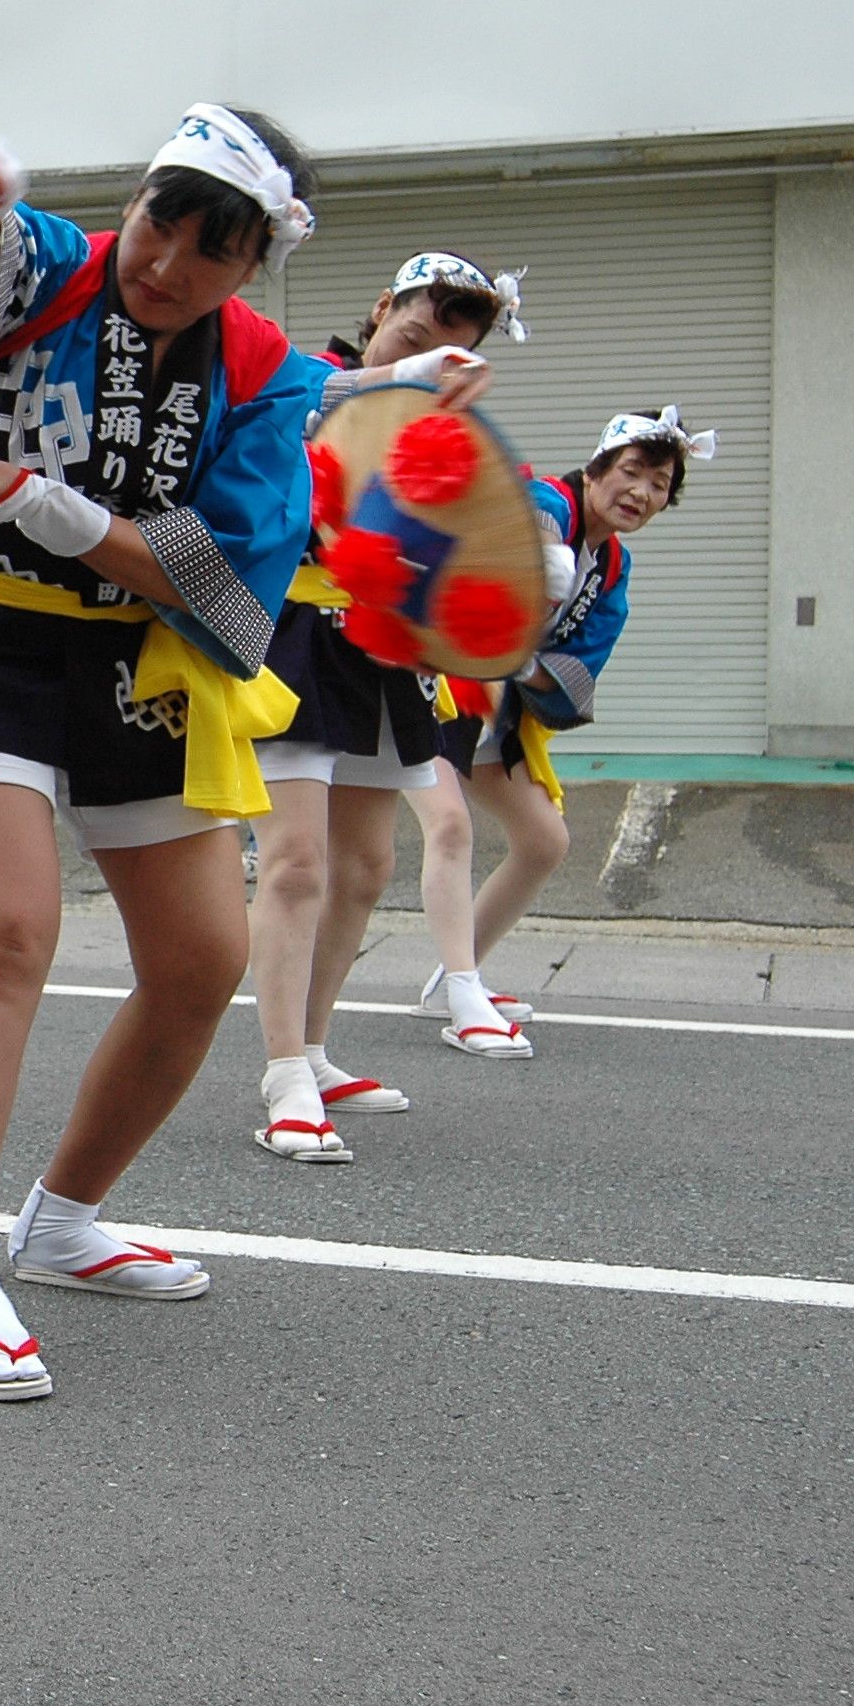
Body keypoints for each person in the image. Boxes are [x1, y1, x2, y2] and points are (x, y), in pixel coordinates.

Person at [0, 102, 322, 1401]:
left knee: (201, 962)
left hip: (132, 663)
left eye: (213, 246)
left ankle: (62, 1220)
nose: (168, 258)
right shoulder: (54, 268)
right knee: (8, 931)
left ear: (252, 266)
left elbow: (234, 581)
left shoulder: (267, 372)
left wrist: (58, 510)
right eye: (161, 217)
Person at [244, 251, 518, 1162]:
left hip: (378, 648)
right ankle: (282, 1071)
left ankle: (315, 1050)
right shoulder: (305, 372)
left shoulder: (437, 427)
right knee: (293, 864)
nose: (432, 357)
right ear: (381, 308)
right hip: (290, 633)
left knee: (364, 866)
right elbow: (305, 400)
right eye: (416, 331)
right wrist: (398, 376)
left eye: (454, 348)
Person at [408, 407, 696, 1057]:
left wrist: (525, 659)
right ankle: (462, 994)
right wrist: (534, 587)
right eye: (631, 473)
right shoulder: (549, 503)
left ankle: (455, 978)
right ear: (597, 469)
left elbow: (574, 669)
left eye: (658, 484)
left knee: (544, 841)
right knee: (448, 828)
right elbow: (523, 545)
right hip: (428, 686)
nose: (641, 493)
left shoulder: (613, 569)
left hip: (491, 698)